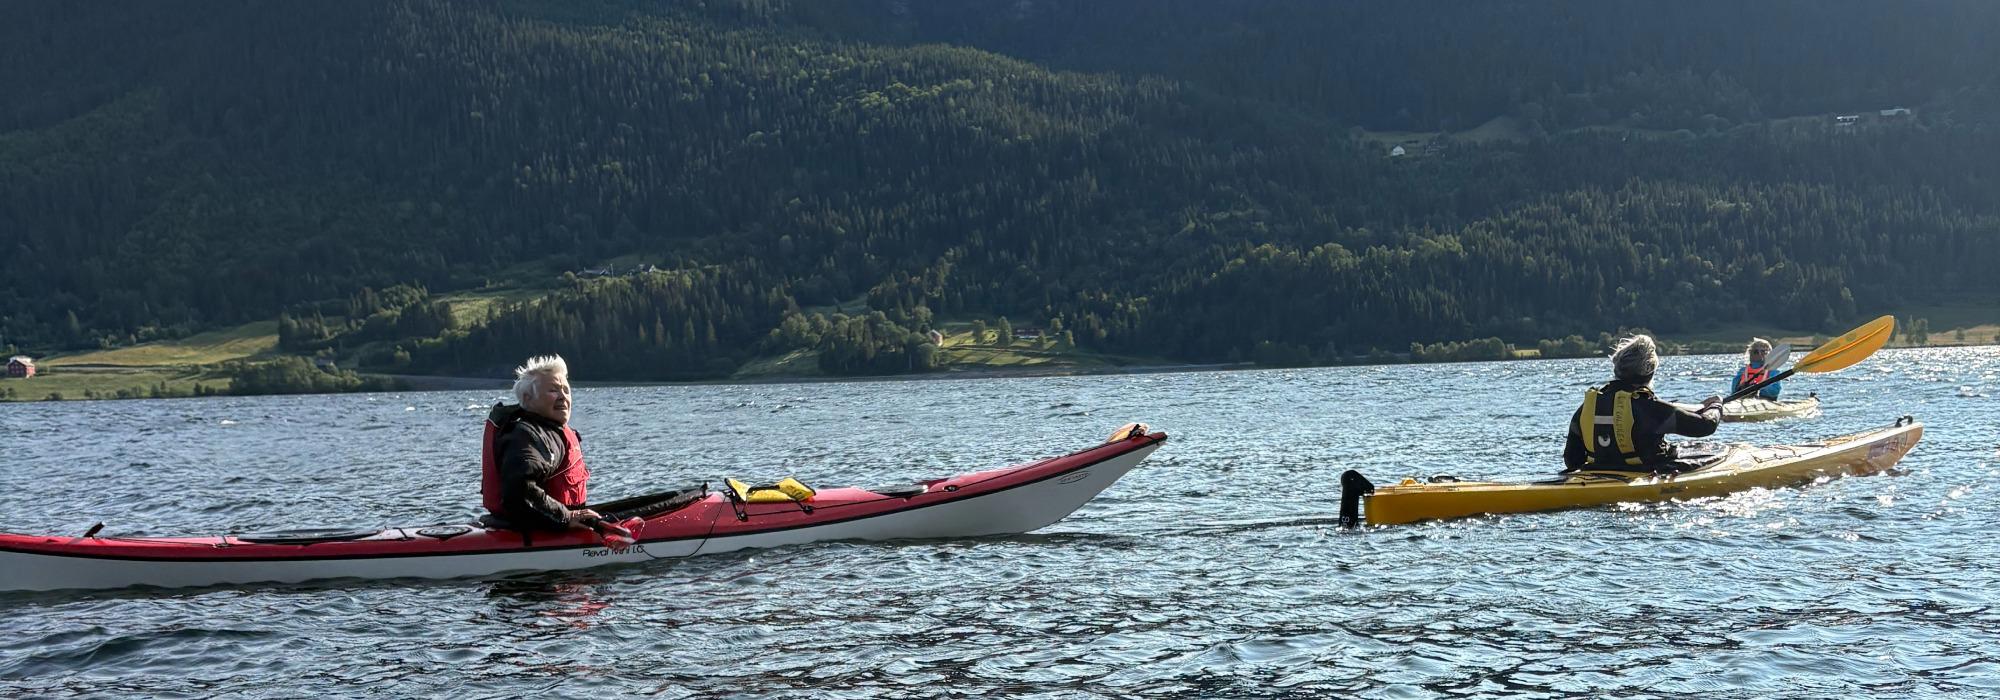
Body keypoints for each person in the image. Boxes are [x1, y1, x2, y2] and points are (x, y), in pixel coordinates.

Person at [1563, 335, 1723, 471]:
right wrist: (1716, 405)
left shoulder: (1588, 407)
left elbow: (1572, 460)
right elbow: (1705, 426)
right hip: (1644, 475)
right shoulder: (1650, 409)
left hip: (1596, 477)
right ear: (1650, 371)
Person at [480, 355, 601, 531]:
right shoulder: (531, 435)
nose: (562, 397)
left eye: (566, 390)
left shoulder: (544, 430)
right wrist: (566, 517)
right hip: (532, 533)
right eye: (553, 390)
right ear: (528, 399)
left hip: (528, 526)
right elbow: (518, 491)